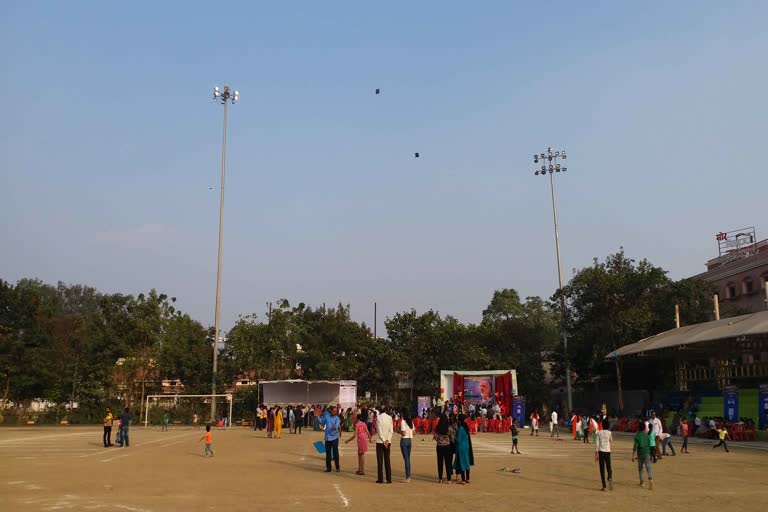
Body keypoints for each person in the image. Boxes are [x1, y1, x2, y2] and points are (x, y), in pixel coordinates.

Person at [318, 405, 341, 472]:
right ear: (330, 411)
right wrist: (317, 417)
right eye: (334, 411)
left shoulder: (337, 418)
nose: (335, 412)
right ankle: (328, 468)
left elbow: (337, 424)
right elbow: (322, 422)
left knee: (335, 453)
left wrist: (335, 427)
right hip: (327, 437)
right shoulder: (326, 416)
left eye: (336, 411)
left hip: (334, 437)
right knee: (328, 454)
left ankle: (337, 467)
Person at [632, 420, 653, 490]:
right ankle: (650, 479)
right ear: (644, 428)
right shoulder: (647, 435)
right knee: (648, 466)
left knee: (640, 468)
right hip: (647, 452)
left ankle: (642, 481)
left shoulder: (637, 436)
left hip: (640, 453)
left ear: (638, 428)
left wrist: (633, 455)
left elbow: (635, 446)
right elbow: (649, 444)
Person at [375, 406, 393, 484]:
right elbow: (391, 431)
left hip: (380, 442)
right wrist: (387, 440)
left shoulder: (378, 418)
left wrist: (383, 440)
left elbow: (379, 430)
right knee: (387, 460)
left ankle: (380, 479)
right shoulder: (390, 418)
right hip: (388, 442)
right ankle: (389, 479)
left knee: (380, 461)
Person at [453, 415, 473, 484]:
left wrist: (454, 437)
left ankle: (463, 479)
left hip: (461, 447)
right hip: (466, 447)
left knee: (462, 463)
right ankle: (468, 478)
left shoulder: (460, 428)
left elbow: (458, 439)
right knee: (467, 462)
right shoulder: (466, 427)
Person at [433, 415, 453, 484]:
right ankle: (449, 479)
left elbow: (435, 438)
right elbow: (452, 438)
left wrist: (440, 440)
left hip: (439, 447)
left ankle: (440, 479)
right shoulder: (449, 428)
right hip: (447, 446)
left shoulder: (437, 428)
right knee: (448, 463)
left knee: (440, 463)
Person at [595, 419, 613, 491]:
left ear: (602, 425)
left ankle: (604, 486)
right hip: (608, 451)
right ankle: (609, 477)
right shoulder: (609, 432)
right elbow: (611, 440)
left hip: (601, 451)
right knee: (609, 467)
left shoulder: (599, 433)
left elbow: (597, 443)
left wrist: (596, 454)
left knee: (602, 469)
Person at [398, 411, 414, 482]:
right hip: (409, 441)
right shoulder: (411, 422)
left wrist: (399, 431)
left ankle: (408, 477)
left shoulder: (403, 422)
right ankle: (408, 476)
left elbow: (403, 433)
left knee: (406, 459)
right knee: (408, 459)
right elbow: (414, 432)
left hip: (404, 440)